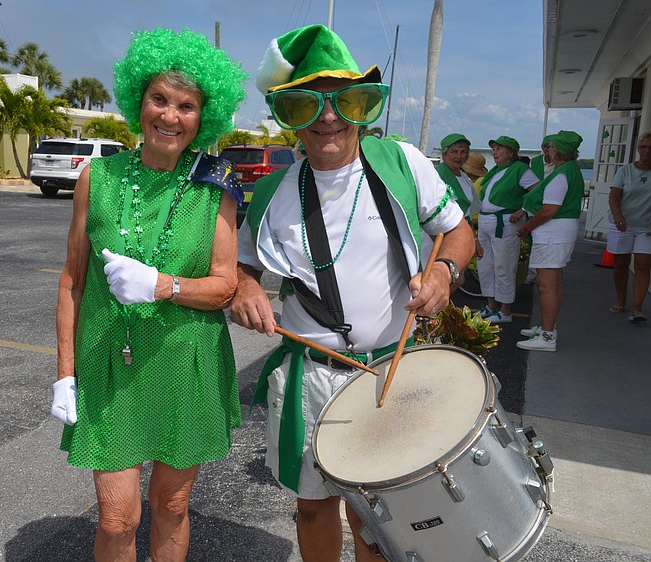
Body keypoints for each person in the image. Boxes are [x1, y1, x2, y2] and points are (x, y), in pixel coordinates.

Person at [230, 25, 474, 562]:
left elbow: (457, 231)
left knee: (378, 512)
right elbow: (242, 261)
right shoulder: (271, 190)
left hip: (390, 370)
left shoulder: (403, 164)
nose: (329, 118)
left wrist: (443, 275)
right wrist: (245, 287)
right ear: (289, 115)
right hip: (312, 375)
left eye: (347, 101)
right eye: (306, 106)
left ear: (364, 107)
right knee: (314, 508)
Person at [51, 28, 247, 561]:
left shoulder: (217, 184)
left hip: (186, 364)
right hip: (109, 365)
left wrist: (165, 286)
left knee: (171, 507)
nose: (170, 115)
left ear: (202, 117)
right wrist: (66, 372)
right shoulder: (99, 177)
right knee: (117, 520)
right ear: (138, 100)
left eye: (186, 105)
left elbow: (226, 286)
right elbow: (72, 280)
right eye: (159, 98)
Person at [513, 130, 584, 351]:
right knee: (555, 283)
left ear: (557, 149)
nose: (548, 150)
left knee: (546, 285)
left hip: (553, 233)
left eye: (550, 146)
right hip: (558, 232)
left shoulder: (562, 173)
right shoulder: (569, 170)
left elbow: (548, 210)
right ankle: (547, 327)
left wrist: (526, 227)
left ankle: (546, 336)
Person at [476, 135, 539, 323]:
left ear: (511, 152)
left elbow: (537, 190)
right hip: (486, 221)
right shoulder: (495, 170)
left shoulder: (520, 169)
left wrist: (523, 210)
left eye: (499, 148)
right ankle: (491, 306)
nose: (495, 152)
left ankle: (505, 311)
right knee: (485, 265)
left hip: (504, 222)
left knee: (504, 266)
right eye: (494, 148)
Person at [608, 131, 651, 322]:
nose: (647, 151)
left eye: (650, 148)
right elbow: (614, 195)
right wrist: (618, 216)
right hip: (622, 223)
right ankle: (620, 300)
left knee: (643, 265)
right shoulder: (625, 171)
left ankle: (637, 308)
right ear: (638, 149)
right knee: (621, 263)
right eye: (643, 147)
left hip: (646, 226)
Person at [436, 133, 481, 291]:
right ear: (444, 154)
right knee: (453, 277)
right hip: (441, 233)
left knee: (456, 276)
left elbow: (468, 213)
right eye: (454, 151)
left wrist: (474, 240)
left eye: (463, 152)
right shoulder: (437, 174)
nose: (459, 156)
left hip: (461, 231)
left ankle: (436, 311)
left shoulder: (463, 177)